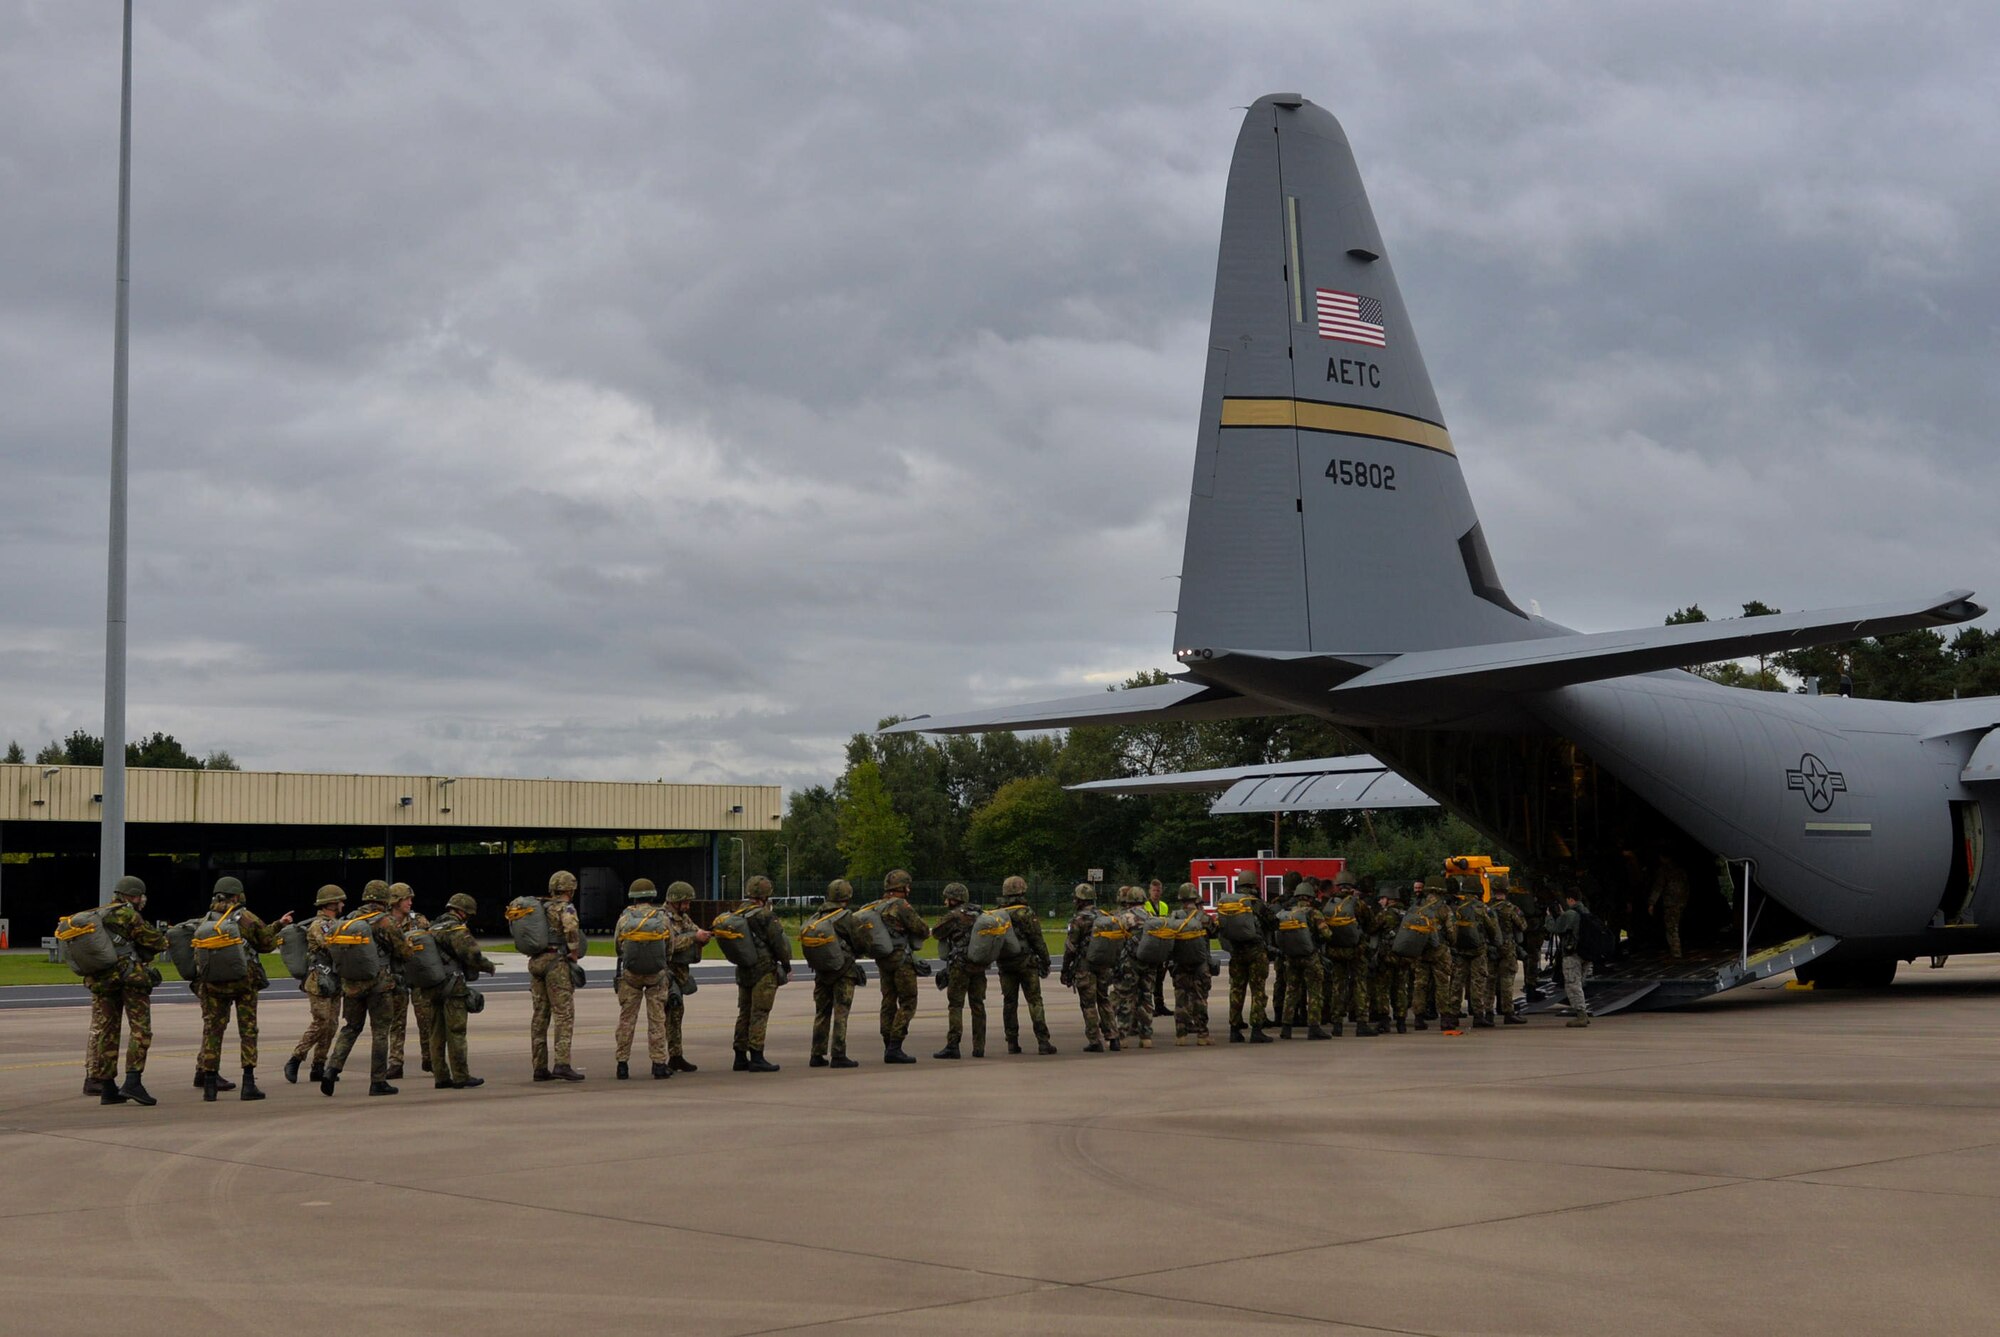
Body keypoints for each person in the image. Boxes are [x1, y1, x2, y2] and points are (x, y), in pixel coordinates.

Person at [192, 876, 293, 1102]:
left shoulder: (205, 919)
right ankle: (248, 1083)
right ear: (237, 896)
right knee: (248, 1031)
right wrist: (278, 925)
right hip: (243, 983)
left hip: (212, 985)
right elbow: (266, 943)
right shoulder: (245, 918)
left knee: (213, 1030)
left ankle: (209, 1084)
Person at [77, 874, 167, 1106]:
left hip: (103, 981)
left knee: (108, 1031)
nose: (142, 900)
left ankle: (107, 1087)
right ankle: (133, 1081)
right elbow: (156, 942)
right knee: (141, 1030)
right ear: (134, 896)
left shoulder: (99, 914)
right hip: (130, 979)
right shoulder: (128, 914)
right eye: (140, 896)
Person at [321, 880, 414, 1096]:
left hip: (352, 984)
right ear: (385, 899)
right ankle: (378, 1081)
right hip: (379, 985)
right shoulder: (385, 922)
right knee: (380, 1032)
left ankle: (331, 1069)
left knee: (351, 1028)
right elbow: (404, 952)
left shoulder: (350, 919)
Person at [426, 892, 497, 1088]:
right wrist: (488, 966)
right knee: (456, 1032)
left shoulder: (432, 927)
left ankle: (440, 1076)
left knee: (436, 1033)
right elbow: (472, 955)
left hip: (433, 986)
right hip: (453, 987)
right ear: (462, 912)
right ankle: (461, 1075)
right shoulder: (456, 930)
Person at [613, 879, 676, 1080]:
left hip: (631, 975)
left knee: (626, 1019)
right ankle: (658, 1063)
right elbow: (670, 947)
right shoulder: (662, 918)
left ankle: (622, 1064)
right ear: (652, 895)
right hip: (656, 975)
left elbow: (618, 946)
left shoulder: (624, 919)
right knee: (657, 1019)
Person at [285, 885, 347, 1086]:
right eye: (340, 901)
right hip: (319, 980)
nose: (342, 905)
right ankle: (295, 1059)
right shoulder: (320, 925)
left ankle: (318, 1066)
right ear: (331, 904)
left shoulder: (335, 923)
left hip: (334, 980)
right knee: (321, 1022)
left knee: (331, 1025)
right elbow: (332, 945)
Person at [727, 875, 790, 1072]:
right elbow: (778, 942)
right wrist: (786, 964)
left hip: (744, 970)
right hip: (764, 970)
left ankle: (739, 1056)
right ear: (765, 895)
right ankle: (757, 1056)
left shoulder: (737, 913)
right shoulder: (765, 915)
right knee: (760, 1013)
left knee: (744, 1012)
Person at [529, 869, 586, 1082]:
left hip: (537, 962)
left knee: (540, 1016)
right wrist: (573, 953)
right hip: (556, 962)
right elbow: (571, 929)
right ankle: (562, 1063)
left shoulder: (540, 908)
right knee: (564, 1014)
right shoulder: (566, 908)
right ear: (570, 889)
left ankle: (539, 1067)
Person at [872, 869, 932, 1063]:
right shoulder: (901, 906)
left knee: (888, 1002)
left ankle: (887, 1043)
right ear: (903, 887)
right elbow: (921, 928)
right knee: (908, 1001)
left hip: (883, 961)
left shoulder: (877, 906)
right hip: (901, 961)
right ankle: (895, 1046)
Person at [806, 879, 866, 1069]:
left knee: (822, 1012)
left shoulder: (817, 916)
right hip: (844, 971)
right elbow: (861, 942)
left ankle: (817, 1054)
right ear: (847, 897)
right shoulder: (847, 917)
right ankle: (838, 1054)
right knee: (841, 1012)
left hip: (822, 972)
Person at [994, 875, 1056, 1055]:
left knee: (1009, 1002)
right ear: (1022, 890)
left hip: (1005, 965)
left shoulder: (998, 913)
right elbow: (1037, 940)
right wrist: (1046, 961)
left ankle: (1012, 1042)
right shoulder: (1026, 913)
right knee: (1035, 1001)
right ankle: (1043, 1042)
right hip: (1026, 964)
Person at [931, 883, 987, 1059]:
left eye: (948, 897)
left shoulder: (954, 916)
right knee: (977, 1005)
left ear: (954, 899)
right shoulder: (980, 914)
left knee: (956, 1005)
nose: (946, 901)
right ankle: (979, 1047)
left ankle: (953, 1045)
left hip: (960, 966)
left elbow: (937, 932)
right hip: (978, 966)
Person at [1062, 883, 1119, 1052]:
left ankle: (1095, 1040)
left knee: (1088, 1004)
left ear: (1079, 900)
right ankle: (1114, 1037)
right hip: (1104, 966)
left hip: (1085, 967)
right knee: (1104, 999)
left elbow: (1071, 948)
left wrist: (1065, 969)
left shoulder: (1078, 920)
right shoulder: (1104, 916)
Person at [1221, 871, 1276, 1043]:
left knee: (1237, 990)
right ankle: (1257, 1029)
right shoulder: (1256, 903)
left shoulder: (1229, 903)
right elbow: (1274, 922)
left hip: (1236, 952)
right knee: (1258, 990)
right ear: (1253, 885)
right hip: (1256, 952)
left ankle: (1234, 1029)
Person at [384, 882, 432, 1079]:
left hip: (419, 978)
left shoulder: (419, 921)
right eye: (407, 899)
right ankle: (395, 1063)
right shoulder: (385, 923)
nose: (410, 902)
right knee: (396, 1021)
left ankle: (430, 1059)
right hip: (397, 979)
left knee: (426, 1019)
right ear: (395, 901)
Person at [663, 881, 710, 1071]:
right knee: (664, 1017)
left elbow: (694, 930)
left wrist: (702, 937)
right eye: (685, 903)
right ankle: (660, 1059)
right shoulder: (664, 919)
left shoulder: (683, 918)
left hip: (679, 976)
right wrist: (694, 938)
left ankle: (676, 1056)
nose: (687, 907)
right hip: (666, 976)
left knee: (676, 1016)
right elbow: (670, 944)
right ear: (675, 901)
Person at [1273, 881, 1329, 1040]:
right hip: (1310, 957)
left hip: (1291, 958)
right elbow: (1327, 934)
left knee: (1291, 991)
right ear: (1311, 897)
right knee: (1315, 992)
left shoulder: (1287, 912)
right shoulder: (1314, 913)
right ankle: (1314, 1027)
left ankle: (1286, 1027)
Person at [1321, 875, 1375, 1037]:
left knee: (1338, 986)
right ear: (1352, 887)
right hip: (1356, 950)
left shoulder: (1328, 904)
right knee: (1359, 984)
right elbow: (1370, 924)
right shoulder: (1358, 904)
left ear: (1337, 886)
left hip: (1335, 951)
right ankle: (1361, 1023)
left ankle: (1337, 1023)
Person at [1111, 886, 1159, 1048]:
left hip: (1128, 964)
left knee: (1125, 997)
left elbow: (1116, 940)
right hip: (1149, 963)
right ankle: (1146, 1036)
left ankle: (1123, 1036)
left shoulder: (1124, 917)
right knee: (1146, 997)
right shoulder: (1151, 916)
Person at [1168, 883, 1216, 1045]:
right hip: (1200, 964)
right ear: (1196, 898)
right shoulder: (1203, 917)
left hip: (1179, 963)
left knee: (1180, 998)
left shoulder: (1174, 916)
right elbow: (1215, 933)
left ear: (1181, 899)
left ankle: (1181, 1035)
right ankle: (1203, 1035)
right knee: (1200, 999)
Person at [1370, 889, 1412, 1034]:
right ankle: (1401, 1022)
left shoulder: (1385, 914)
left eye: (1383, 898)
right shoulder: (1407, 914)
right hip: (1404, 956)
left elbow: (1372, 928)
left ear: (1390, 900)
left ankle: (1384, 1021)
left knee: (1382, 989)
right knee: (1401, 989)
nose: (1380, 901)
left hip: (1387, 957)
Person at [1488, 877, 1529, 1024]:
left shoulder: (1486, 908)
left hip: (1490, 948)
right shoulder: (1510, 908)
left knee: (1489, 981)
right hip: (1507, 948)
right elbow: (1523, 926)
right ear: (1506, 890)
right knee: (1507, 981)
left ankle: (1487, 1013)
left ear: (1492, 890)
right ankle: (1508, 1012)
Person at [1551, 891, 1591, 1026]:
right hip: (1586, 953)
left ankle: (1581, 1015)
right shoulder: (1586, 912)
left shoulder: (1570, 914)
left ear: (1570, 899)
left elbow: (1555, 928)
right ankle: (1582, 1011)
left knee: (1572, 984)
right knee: (1580, 983)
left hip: (1572, 953)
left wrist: (1549, 917)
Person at [1649, 855, 1690, 958]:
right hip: (1680, 901)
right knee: (1676, 925)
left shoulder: (1664, 871)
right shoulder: (1679, 870)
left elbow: (1658, 887)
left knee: (1672, 927)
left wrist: (1651, 903)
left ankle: (1676, 952)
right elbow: (1686, 886)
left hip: (1671, 902)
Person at [1146, 879, 1174, 1017]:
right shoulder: (1146, 906)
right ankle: (1149, 1005)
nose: (1156, 893)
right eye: (1154, 890)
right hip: (1151, 944)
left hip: (1162, 944)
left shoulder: (1164, 906)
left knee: (1160, 978)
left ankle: (1160, 1005)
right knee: (1149, 977)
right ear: (1149, 891)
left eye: (1158, 890)